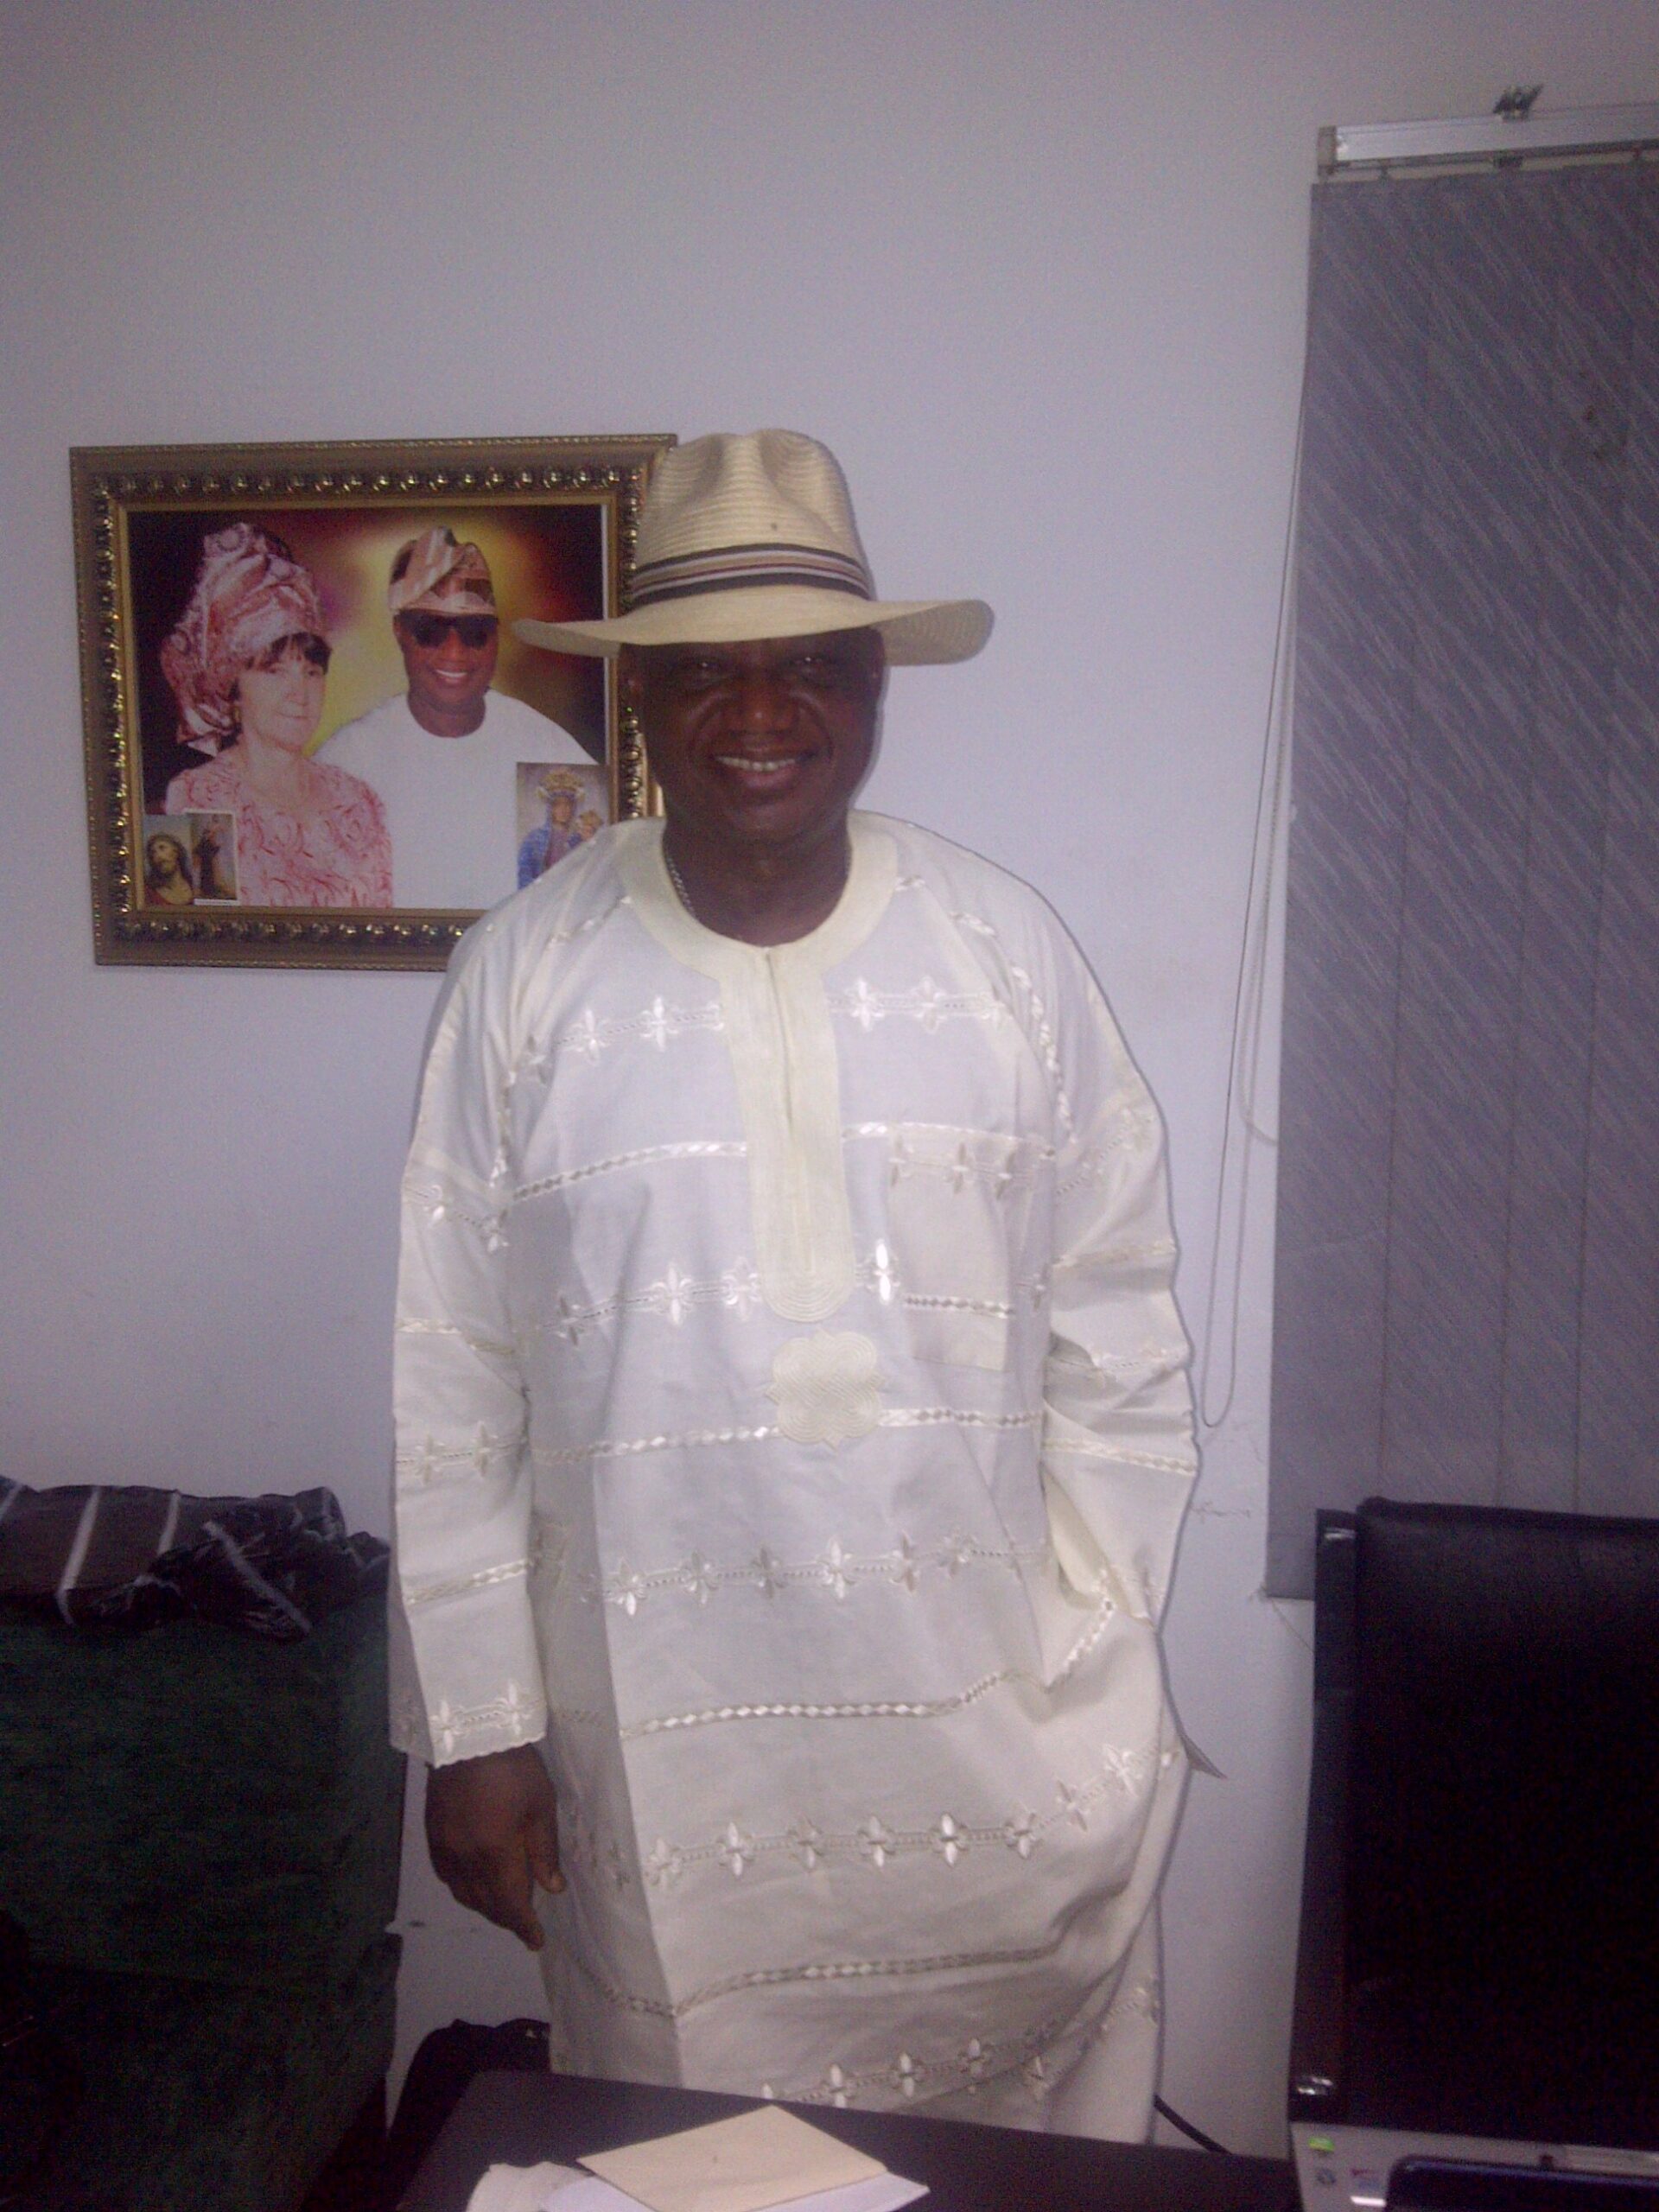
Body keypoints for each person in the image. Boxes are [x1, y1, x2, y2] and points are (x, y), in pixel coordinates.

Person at [389, 431, 1197, 2139]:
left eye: (811, 666)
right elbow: (453, 1376)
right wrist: (477, 1727)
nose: (761, 712)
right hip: (659, 1767)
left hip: (983, 1755)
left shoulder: (1006, 953)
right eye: (708, 671)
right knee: (684, 2149)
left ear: (874, 688)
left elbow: (1119, 1324)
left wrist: (1095, 1634)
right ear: (644, 698)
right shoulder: (523, 978)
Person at [321, 528, 592, 909]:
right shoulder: (346, 762)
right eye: (430, 631)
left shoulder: (551, 751)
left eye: (474, 632)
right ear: (400, 633)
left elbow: (586, 894)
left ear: (496, 638)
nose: (454, 653)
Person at [162, 525, 391, 907]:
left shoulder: (357, 800)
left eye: (311, 672)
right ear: (233, 685)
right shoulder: (200, 798)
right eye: (275, 672)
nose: (299, 693)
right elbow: (209, 930)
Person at [515, 768, 588, 887]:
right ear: (551, 809)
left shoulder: (580, 839)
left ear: (573, 808)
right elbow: (524, 873)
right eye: (557, 805)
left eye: (567, 804)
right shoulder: (534, 839)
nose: (563, 810)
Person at [143, 830, 194, 906]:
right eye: (153, 852)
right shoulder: (148, 892)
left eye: (162, 848)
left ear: (176, 851)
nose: (158, 856)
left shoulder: (193, 885)